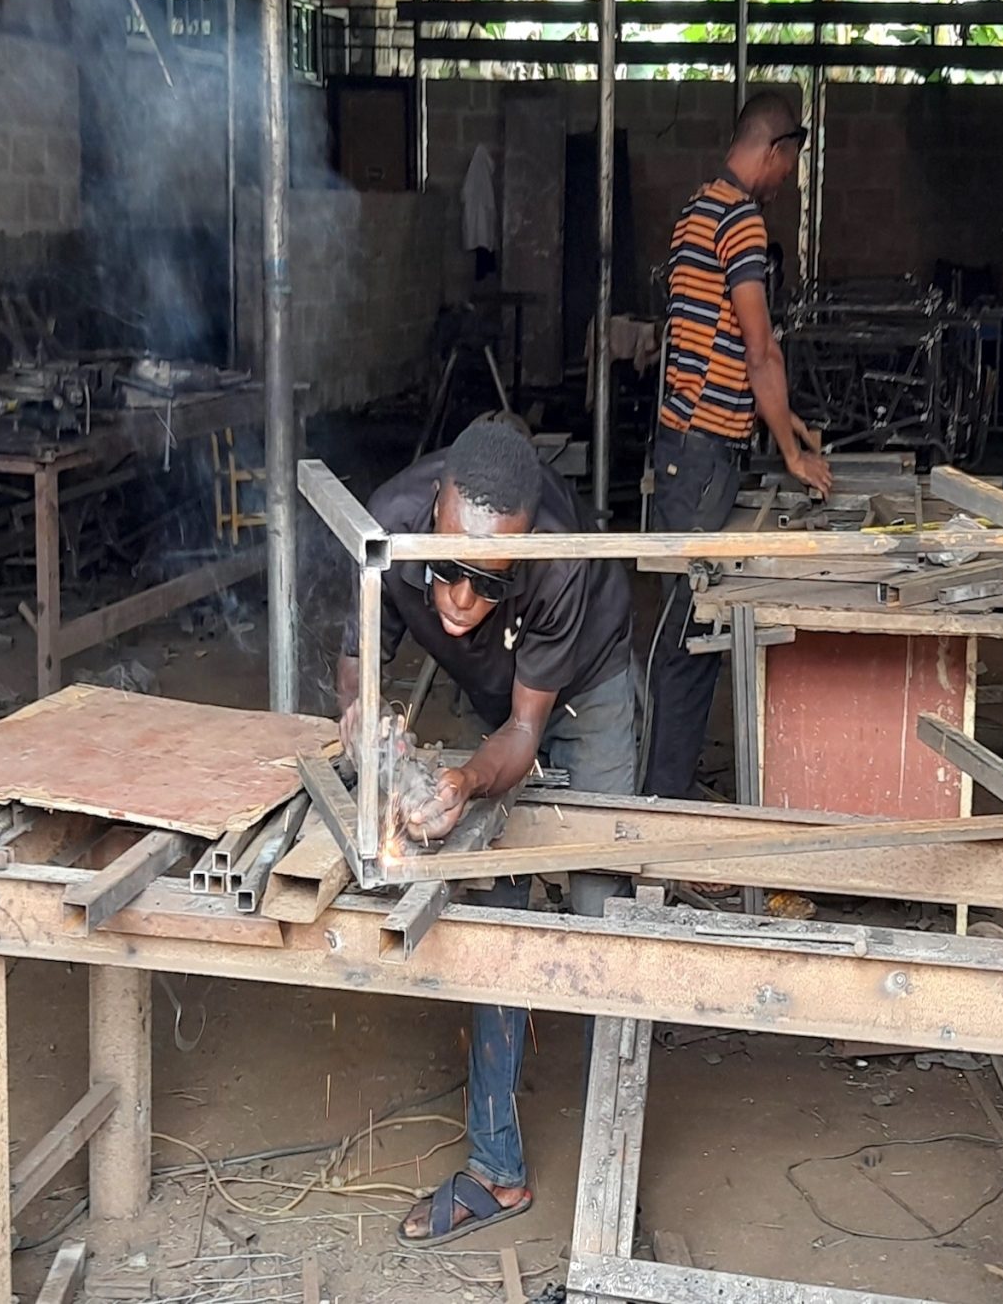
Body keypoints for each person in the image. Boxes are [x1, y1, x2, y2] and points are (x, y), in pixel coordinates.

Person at [334, 418, 636, 1245]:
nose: (462, 601)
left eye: (488, 582)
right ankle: (498, 1170)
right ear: (435, 509)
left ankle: (619, 1170)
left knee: (601, 909)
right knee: (497, 906)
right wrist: (364, 715)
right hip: (494, 693)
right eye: (449, 571)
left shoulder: (561, 562)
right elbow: (359, 658)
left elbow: (523, 736)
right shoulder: (383, 526)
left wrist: (466, 779)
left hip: (586, 688)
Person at [643, 91, 831, 799]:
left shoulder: (697, 208)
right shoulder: (742, 220)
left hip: (683, 446)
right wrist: (790, 450)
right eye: (791, 165)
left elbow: (713, 336)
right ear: (776, 148)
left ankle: (668, 784)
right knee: (690, 630)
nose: (788, 182)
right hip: (700, 454)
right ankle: (664, 798)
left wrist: (790, 422)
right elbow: (759, 349)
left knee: (688, 623)